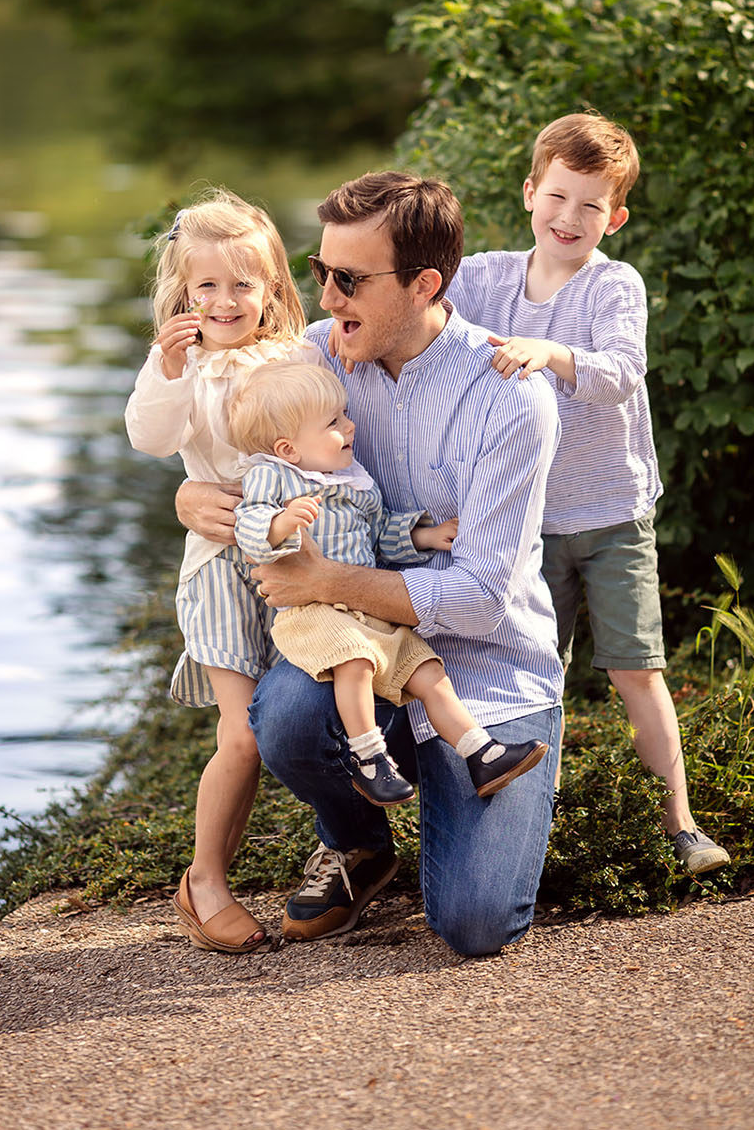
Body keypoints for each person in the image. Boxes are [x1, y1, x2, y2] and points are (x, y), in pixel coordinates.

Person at [176, 171, 564, 956]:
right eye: (321, 272)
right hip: (355, 651)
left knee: (475, 924)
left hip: (483, 674)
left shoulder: (511, 398)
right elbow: (237, 449)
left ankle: (463, 787)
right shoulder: (313, 360)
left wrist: (328, 581)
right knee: (281, 717)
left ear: (425, 284)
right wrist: (190, 497)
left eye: (348, 280)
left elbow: (482, 598)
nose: (324, 299)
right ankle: (357, 841)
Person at [446, 111, 730, 876]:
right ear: (531, 191)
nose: (571, 218)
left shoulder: (615, 284)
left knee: (637, 668)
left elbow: (618, 374)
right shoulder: (482, 278)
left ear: (617, 215)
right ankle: (539, 832)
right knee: (536, 672)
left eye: (592, 205)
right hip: (523, 524)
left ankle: (681, 823)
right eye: (559, 197)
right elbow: (429, 324)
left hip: (609, 515)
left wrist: (554, 353)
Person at [124, 188, 323, 954]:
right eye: (206, 285)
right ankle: (204, 879)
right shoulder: (184, 368)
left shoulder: (297, 355)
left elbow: (327, 440)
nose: (225, 299)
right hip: (217, 564)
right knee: (240, 734)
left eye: (243, 283)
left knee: (290, 719)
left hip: (290, 556)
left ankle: (341, 844)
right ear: (184, 293)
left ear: (272, 286)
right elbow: (150, 437)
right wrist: (168, 367)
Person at [228, 361, 548, 806]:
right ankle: (370, 757)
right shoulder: (274, 477)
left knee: (427, 670)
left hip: (370, 611)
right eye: (334, 422)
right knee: (356, 662)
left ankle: (481, 752)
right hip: (313, 615)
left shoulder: (353, 481)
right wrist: (280, 524)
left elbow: (378, 533)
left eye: (344, 414)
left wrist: (423, 536)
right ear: (288, 448)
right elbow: (249, 525)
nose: (350, 425)